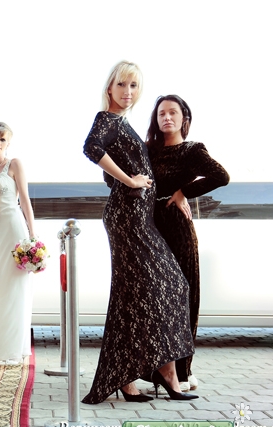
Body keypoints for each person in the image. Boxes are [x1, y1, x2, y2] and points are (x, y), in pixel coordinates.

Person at [81, 61, 197, 403]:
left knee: (137, 294)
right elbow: (91, 148)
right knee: (170, 284)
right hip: (127, 218)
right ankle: (161, 374)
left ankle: (135, 377)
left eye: (134, 86)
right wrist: (129, 180)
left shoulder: (122, 123)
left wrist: (178, 193)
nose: (128, 92)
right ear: (110, 88)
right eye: (122, 85)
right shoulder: (107, 119)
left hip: (139, 217)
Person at [146, 94, 230, 391]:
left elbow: (221, 176)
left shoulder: (192, 150)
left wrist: (183, 192)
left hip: (178, 230)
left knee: (183, 296)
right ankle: (157, 368)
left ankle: (182, 371)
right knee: (156, 298)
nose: (167, 117)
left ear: (185, 118)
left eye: (173, 112)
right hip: (151, 228)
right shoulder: (148, 150)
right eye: (161, 113)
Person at [0, 122, 36, 365]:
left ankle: (14, 347)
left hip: (14, 229)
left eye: (2, 139)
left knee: (15, 285)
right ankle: (1, 342)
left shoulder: (14, 164)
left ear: (8, 143)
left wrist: (32, 236)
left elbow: (25, 200)